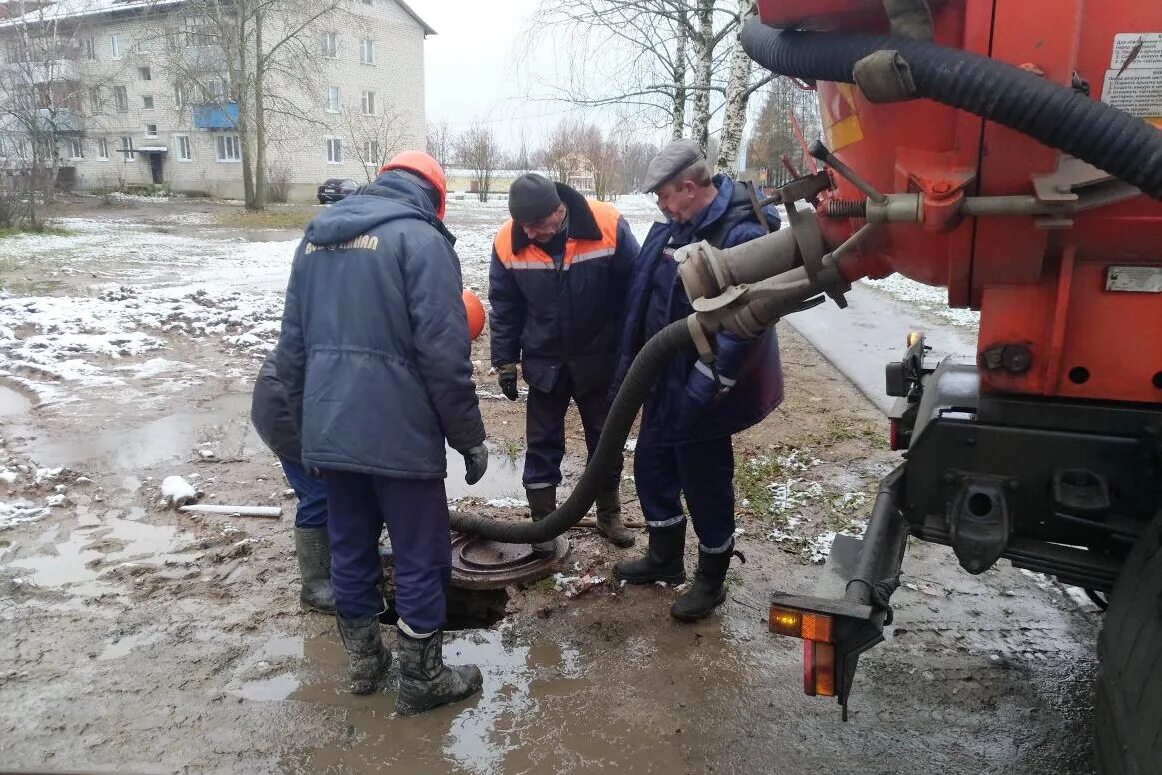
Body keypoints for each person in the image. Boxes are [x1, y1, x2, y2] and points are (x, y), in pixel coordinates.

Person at [275, 150, 490, 716]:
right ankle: (422, 680)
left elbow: (291, 350)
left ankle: (367, 666)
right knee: (421, 555)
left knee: (349, 547)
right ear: (433, 196)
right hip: (400, 436)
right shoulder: (421, 242)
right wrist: (468, 434)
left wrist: (307, 431)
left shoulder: (315, 239)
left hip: (332, 429)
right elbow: (445, 356)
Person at [611, 140, 784, 622]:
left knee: (703, 479)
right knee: (652, 466)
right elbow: (641, 297)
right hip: (661, 374)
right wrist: (629, 366)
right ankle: (665, 557)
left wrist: (703, 386)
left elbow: (749, 325)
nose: (660, 206)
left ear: (689, 187)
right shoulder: (670, 227)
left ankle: (711, 578)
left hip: (708, 383)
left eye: (665, 196)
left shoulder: (743, 231)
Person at [489, 173, 640, 551]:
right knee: (541, 444)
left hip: (599, 358)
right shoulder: (508, 240)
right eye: (525, 224)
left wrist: (633, 351)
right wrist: (505, 361)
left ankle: (609, 514)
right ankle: (543, 526)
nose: (532, 232)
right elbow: (505, 306)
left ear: (559, 210)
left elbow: (636, 291)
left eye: (539, 224)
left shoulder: (607, 224)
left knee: (605, 440)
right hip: (544, 361)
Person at [250, 350, 334, 613]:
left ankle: (345, 556)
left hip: (315, 401)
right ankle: (315, 585)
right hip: (287, 410)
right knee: (321, 494)